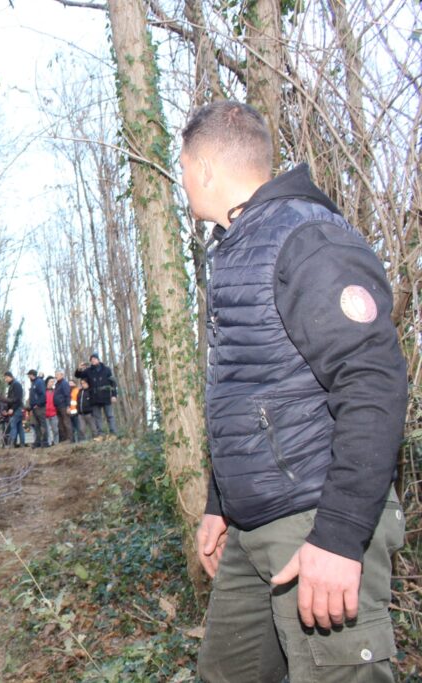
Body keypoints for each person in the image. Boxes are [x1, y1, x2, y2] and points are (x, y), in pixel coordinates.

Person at [180, 101, 407, 683]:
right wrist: (220, 503)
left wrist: (338, 537)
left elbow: (373, 381)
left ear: (204, 168)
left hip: (314, 519)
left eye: (181, 165)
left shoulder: (305, 239)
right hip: (256, 531)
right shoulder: (237, 246)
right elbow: (252, 390)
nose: (181, 179)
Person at [82, 354, 117, 436]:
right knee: (97, 417)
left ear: (98, 359)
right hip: (94, 397)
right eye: (91, 359)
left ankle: (113, 432)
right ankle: (100, 434)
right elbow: (79, 375)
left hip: (106, 395)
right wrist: (79, 369)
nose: (93, 360)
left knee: (110, 415)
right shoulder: (88, 371)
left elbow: (113, 383)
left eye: (94, 359)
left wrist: (114, 395)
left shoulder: (107, 369)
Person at [26, 370, 48, 448]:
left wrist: (38, 404)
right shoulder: (33, 383)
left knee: (43, 424)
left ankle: (45, 441)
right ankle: (38, 441)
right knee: (36, 425)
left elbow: (43, 394)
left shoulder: (39, 382)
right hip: (34, 408)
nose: (28, 377)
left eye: (29, 375)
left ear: (32, 375)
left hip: (40, 407)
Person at [3, 372, 25, 448]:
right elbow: (10, 399)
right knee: (19, 427)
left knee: (13, 426)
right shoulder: (12, 385)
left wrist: (12, 408)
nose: (5, 380)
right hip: (16, 409)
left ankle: (12, 444)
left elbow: (18, 399)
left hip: (17, 409)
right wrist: (8, 409)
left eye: (6, 378)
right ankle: (22, 444)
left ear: (10, 377)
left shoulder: (16, 385)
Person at [53, 370, 71, 444]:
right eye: (55, 374)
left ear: (62, 375)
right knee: (60, 424)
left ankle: (69, 438)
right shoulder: (57, 384)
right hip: (58, 407)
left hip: (64, 406)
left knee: (66, 422)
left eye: (57, 374)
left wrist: (68, 406)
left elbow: (67, 395)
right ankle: (63, 439)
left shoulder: (64, 383)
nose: (56, 376)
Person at [44, 378, 58, 444]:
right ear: (47, 382)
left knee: (55, 430)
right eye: (51, 381)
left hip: (54, 413)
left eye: (53, 382)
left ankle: (56, 443)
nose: (52, 383)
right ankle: (49, 443)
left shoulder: (55, 391)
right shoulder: (43, 391)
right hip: (45, 413)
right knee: (47, 430)